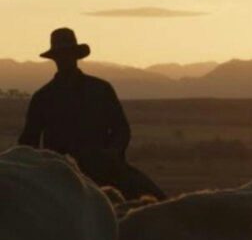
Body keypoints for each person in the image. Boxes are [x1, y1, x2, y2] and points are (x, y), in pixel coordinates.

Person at [18, 27, 164, 200]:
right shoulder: (43, 98)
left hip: (104, 168)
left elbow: (121, 129)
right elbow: (28, 142)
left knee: (157, 201)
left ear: (75, 56)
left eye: (68, 53)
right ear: (55, 59)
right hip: (60, 172)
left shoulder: (100, 89)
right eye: (61, 55)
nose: (65, 59)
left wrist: (112, 154)